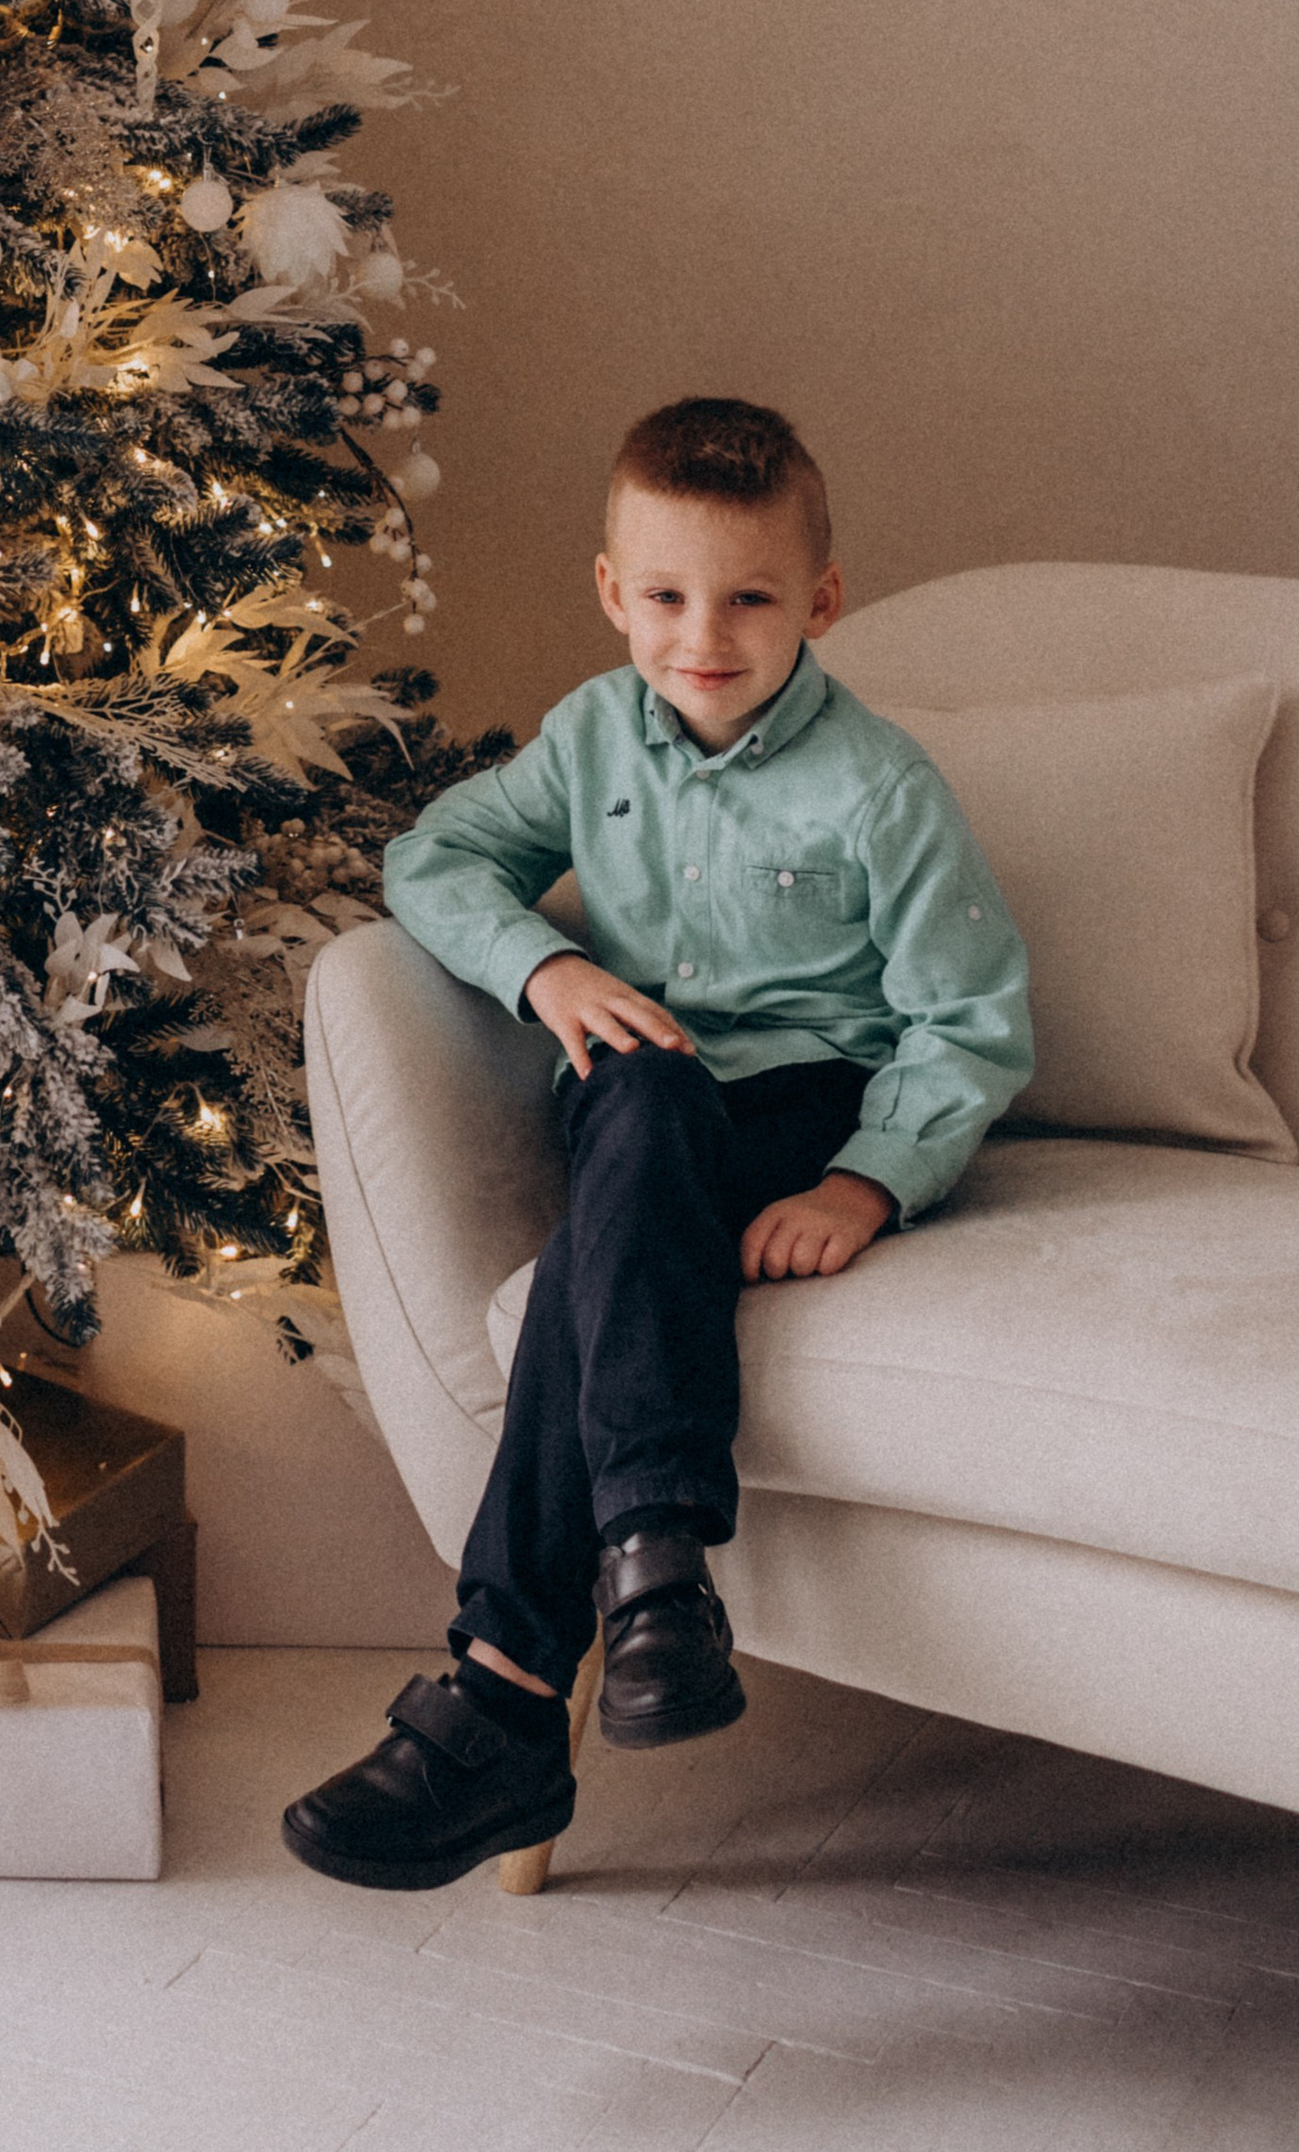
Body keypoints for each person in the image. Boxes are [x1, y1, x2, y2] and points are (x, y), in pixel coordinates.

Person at [281, 395, 1031, 1893]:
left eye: (750, 598)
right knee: (638, 1093)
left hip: (802, 1103)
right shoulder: (590, 737)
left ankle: (505, 1693)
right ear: (614, 592)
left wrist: (864, 1183)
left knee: (591, 1265)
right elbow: (434, 856)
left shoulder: (879, 785)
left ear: (822, 601)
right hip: (639, 1102)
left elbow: (972, 1021)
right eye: (670, 595)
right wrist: (545, 968)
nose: (706, 635)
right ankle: (652, 1577)